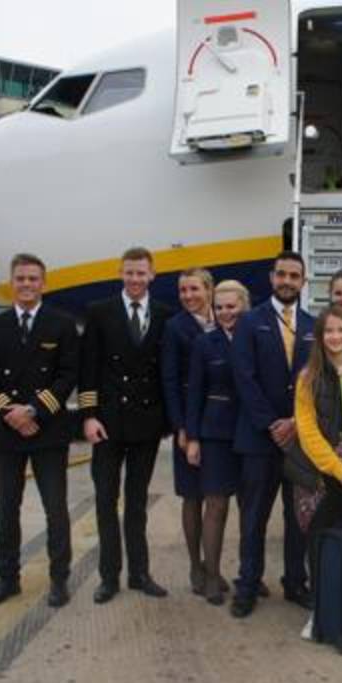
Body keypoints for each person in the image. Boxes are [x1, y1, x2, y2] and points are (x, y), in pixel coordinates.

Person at [0, 253, 78, 608]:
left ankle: (59, 580)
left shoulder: (62, 324)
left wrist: (33, 410)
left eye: (33, 279)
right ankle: (7, 579)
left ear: (44, 283)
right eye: (20, 279)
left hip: (47, 431)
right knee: (7, 510)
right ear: (11, 282)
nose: (27, 285)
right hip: (6, 433)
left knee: (56, 509)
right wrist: (11, 413)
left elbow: (68, 375)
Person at [79, 247, 172, 604]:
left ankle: (139, 573)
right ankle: (108, 577)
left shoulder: (164, 314)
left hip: (146, 425)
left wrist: (166, 422)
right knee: (106, 501)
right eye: (129, 273)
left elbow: (166, 373)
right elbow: (88, 368)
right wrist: (88, 416)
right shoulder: (99, 312)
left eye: (141, 273)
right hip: (107, 425)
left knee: (136, 504)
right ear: (120, 273)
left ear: (152, 275)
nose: (135, 279)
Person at [230, 251, 315, 617]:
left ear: (303, 282)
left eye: (294, 276)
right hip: (259, 439)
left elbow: (317, 382)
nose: (287, 281)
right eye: (281, 274)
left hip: (299, 440)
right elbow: (243, 379)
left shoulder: (313, 324)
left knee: (298, 519)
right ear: (271, 278)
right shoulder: (249, 322)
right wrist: (272, 423)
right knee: (253, 519)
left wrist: (295, 422)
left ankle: (295, 582)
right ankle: (248, 584)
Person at [294, 305, 342, 639]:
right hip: (323, 476)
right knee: (317, 540)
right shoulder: (308, 378)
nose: (336, 337)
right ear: (320, 337)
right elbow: (308, 433)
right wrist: (339, 471)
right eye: (329, 331)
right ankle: (319, 611)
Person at [185, 280, 252, 605]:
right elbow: (194, 392)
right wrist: (193, 437)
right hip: (215, 434)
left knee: (250, 508)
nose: (226, 313)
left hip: (252, 430)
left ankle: (248, 575)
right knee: (216, 506)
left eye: (232, 306)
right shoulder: (204, 343)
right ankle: (211, 575)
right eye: (220, 307)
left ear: (244, 306)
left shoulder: (255, 337)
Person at [162, 269, 221, 598]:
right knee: (192, 496)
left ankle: (213, 568)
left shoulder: (226, 317)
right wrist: (181, 427)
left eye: (194, 289)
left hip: (220, 424)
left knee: (217, 498)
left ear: (209, 290)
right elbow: (170, 381)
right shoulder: (175, 328)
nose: (188, 296)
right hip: (190, 422)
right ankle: (196, 566)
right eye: (183, 290)